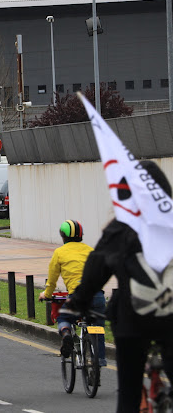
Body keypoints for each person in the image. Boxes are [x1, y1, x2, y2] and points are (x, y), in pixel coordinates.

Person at [66, 161, 173, 413]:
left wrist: (77, 302)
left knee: (129, 394)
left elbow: (95, 272)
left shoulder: (120, 228)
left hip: (132, 320)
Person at [38, 220, 106, 365]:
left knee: (64, 318)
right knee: (98, 326)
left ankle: (67, 334)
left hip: (78, 297)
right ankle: (100, 359)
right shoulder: (90, 250)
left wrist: (47, 294)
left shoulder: (59, 253)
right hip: (98, 296)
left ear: (63, 236)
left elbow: (52, 280)